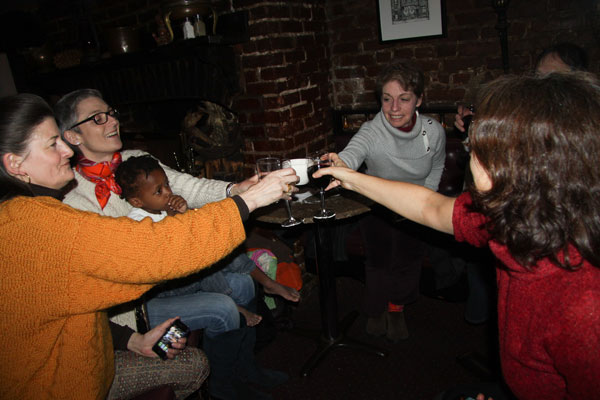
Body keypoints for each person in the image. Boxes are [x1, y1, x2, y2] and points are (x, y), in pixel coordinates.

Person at [315, 72, 600, 399]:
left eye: (478, 147)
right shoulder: (510, 216)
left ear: (518, 166)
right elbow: (430, 209)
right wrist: (350, 177)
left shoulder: (585, 308)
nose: (468, 154)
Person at [0, 93, 295, 399]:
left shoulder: (29, 209)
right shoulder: (39, 220)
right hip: (61, 384)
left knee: (219, 319)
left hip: (98, 354)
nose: (65, 150)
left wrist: (129, 341)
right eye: (52, 144)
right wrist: (250, 201)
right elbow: (153, 249)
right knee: (222, 305)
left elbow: (71, 305)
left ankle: (243, 372)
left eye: (110, 112)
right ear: (15, 163)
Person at [332, 59, 446, 341]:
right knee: (379, 258)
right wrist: (341, 163)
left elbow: (437, 166)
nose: (394, 108)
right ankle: (374, 309)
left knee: (409, 257)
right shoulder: (372, 131)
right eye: (387, 99)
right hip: (377, 204)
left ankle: (397, 307)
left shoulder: (433, 131)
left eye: (403, 99)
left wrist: (427, 203)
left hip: (417, 204)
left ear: (418, 99)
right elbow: (353, 152)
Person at [115, 154, 299, 326]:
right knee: (204, 261)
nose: (167, 192)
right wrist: (174, 218)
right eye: (158, 191)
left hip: (185, 267)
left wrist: (184, 213)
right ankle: (233, 305)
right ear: (137, 202)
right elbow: (172, 255)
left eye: (167, 184)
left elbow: (192, 237)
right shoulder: (137, 222)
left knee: (224, 248)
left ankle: (268, 284)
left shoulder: (163, 208)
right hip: (165, 288)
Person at [454, 42, 589, 133]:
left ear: (577, 81)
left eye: (553, 78)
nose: (542, 83)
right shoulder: (529, 114)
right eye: (539, 75)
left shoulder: (584, 125)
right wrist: (478, 127)